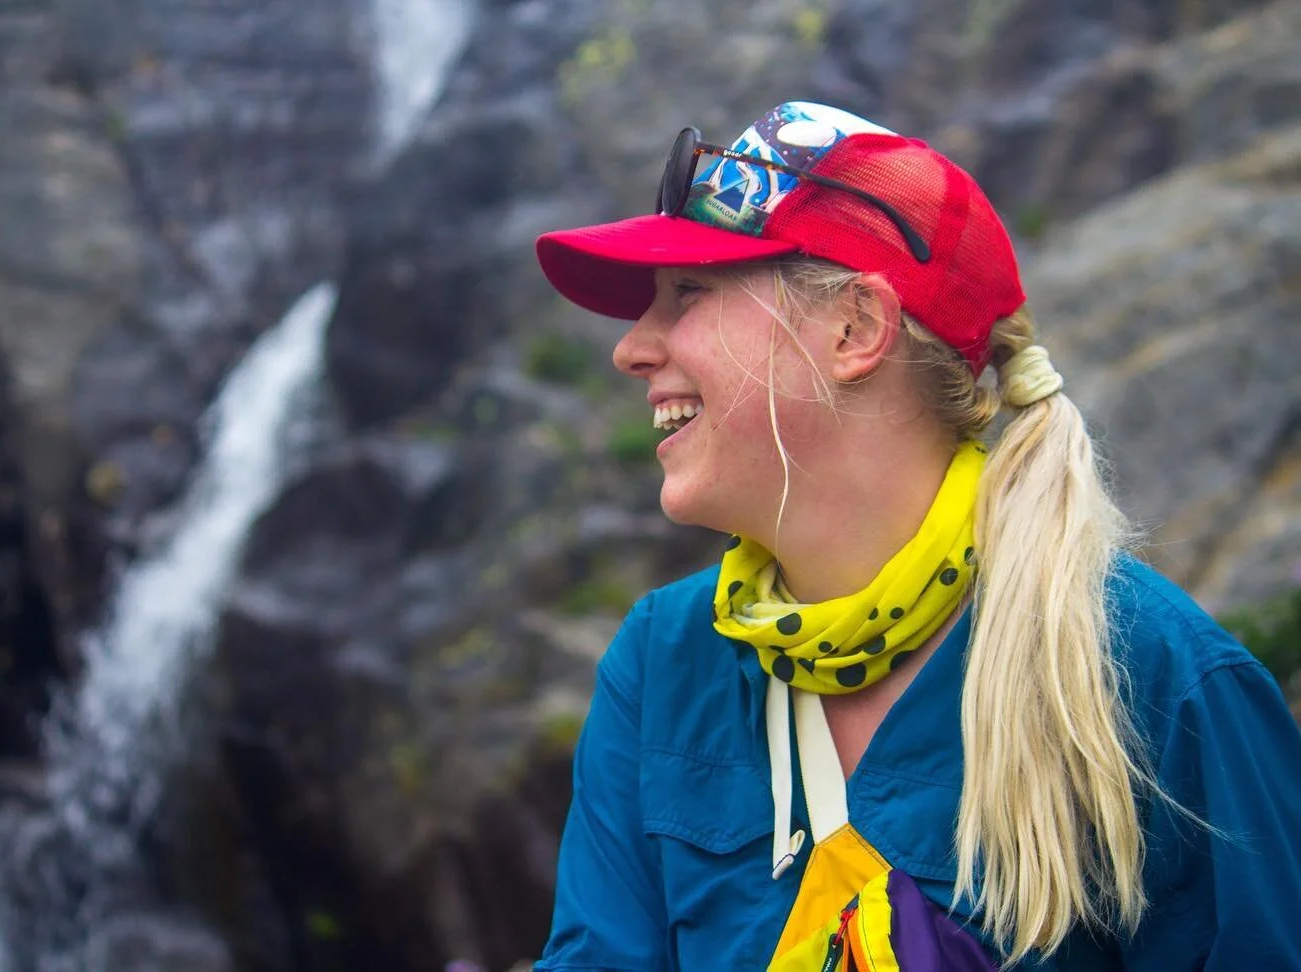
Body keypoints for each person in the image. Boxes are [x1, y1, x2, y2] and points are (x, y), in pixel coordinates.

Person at [528, 101, 1301, 971]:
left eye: (690, 294)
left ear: (856, 329)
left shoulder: (1156, 678)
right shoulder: (661, 662)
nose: (632, 347)